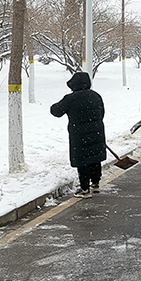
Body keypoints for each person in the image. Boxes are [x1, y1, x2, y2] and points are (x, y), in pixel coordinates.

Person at [50, 71, 106, 199]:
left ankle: (85, 189)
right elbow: (102, 113)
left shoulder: (70, 99)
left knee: (83, 161)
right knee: (94, 158)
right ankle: (95, 183)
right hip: (96, 132)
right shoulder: (96, 96)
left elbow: (56, 111)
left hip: (79, 135)